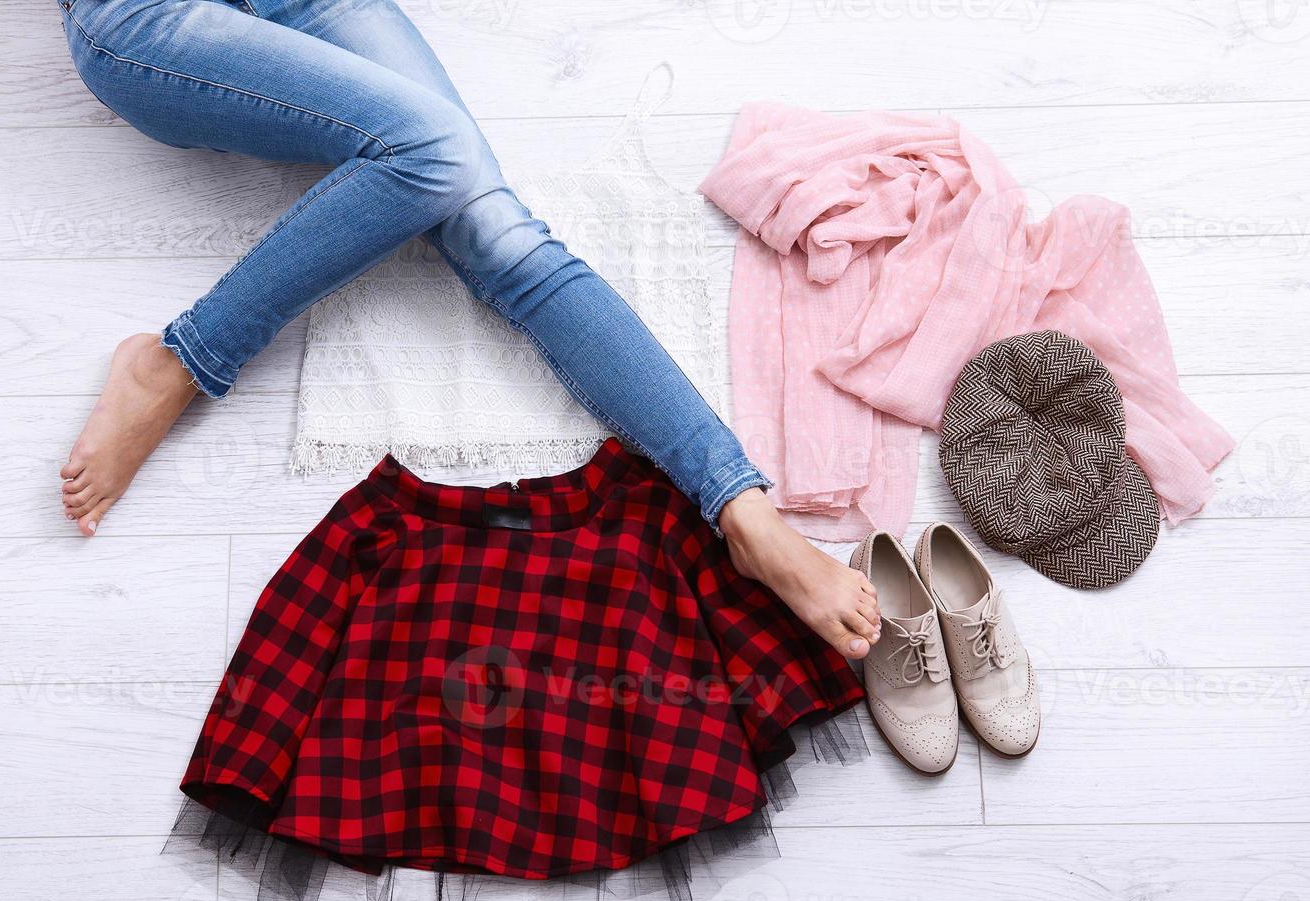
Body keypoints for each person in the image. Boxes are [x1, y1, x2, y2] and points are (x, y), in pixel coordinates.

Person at [54, 0, 880, 657]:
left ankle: (744, 511)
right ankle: (178, 362)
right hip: (148, 14)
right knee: (435, 150)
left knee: (502, 236)